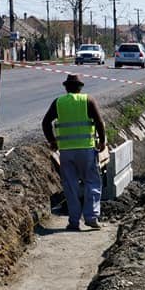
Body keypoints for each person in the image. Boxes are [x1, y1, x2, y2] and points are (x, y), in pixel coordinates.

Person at [42, 74, 107, 230]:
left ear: (66, 87)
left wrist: (52, 141)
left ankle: (73, 221)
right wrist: (102, 141)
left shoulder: (58, 102)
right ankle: (91, 217)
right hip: (86, 150)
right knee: (91, 182)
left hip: (66, 152)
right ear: (80, 87)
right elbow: (99, 122)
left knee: (70, 186)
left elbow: (45, 123)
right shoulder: (88, 100)